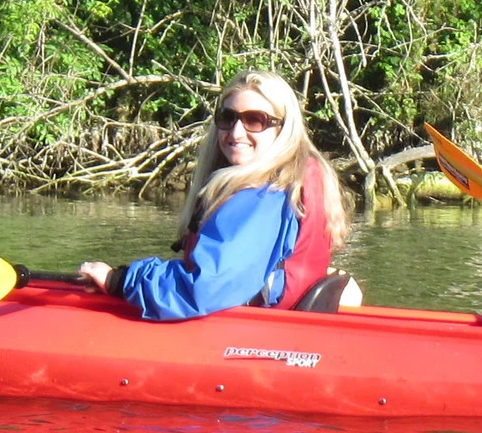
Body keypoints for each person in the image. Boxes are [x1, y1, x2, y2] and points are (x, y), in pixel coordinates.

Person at [78, 71, 350, 319]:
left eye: (255, 120)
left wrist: (121, 280)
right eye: (228, 118)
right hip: (284, 328)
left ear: (282, 128)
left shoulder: (265, 193)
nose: (236, 132)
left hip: (254, 338)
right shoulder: (294, 179)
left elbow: (206, 286)